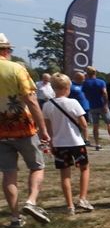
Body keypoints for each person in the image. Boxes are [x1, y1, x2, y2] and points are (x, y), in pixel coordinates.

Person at [0, 33, 52, 228]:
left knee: (9, 174)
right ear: (6, 50)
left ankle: (15, 218)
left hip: (1, 131)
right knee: (37, 166)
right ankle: (31, 201)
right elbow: (31, 100)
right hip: (23, 127)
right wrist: (43, 129)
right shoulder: (16, 69)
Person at [42, 73, 92, 216]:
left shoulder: (47, 105)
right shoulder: (73, 103)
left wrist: (51, 144)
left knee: (65, 174)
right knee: (84, 168)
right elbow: (84, 125)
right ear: (66, 88)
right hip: (76, 142)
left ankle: (70, 205)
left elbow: (48, 129)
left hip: (59, 143)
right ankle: (82, 198)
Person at [82, 66, 110, 150]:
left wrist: (90, 100)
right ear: (95, 72)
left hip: (93, 106)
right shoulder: (101, 82)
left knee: (95, 126)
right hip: (102, 106)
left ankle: (97, 144)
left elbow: (86, 95)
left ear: (87, 73)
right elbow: (104, 93)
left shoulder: (86, 83)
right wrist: (105, 104)